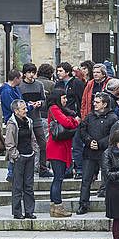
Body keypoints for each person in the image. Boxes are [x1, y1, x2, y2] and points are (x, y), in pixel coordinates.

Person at [77, 92, 118, 214]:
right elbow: (82, 130)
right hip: (89, 153)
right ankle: (83, 204)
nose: (94, 104)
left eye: (97, 102)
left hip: (105, 153)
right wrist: (89, 141)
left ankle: (110, 204)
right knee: (86, 180)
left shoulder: (113, 118)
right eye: (94, 102)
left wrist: (100, 144)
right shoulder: (90, 116)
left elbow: (112, 135)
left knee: (109, 179)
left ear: (104, 104)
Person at [46, 89, 79, 218]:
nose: (65, 100)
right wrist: (75, 121)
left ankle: (54, 206)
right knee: (58, 178)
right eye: (63, 98)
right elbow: (66, 122)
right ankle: (57, 205)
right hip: (57, 148)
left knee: (58, 178)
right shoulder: (54, 108)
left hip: (60, 147)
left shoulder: (58, 109)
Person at [4, 99, 36, 219]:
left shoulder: (28, 121)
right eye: (23, 109)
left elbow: (32, 138)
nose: (26, 111)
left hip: (29, 155)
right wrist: (16, 156)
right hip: (19, 157)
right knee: (17, 186)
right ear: (16, 111)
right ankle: (17, 212)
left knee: (29, 185)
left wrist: (34, 151)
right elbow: (9, 143)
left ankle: (29, 211)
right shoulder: (12, 124)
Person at [19, 63, 51, 178]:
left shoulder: (39, 85)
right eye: (29, 72)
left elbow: (44, 100)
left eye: (33, 72)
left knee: (43, 144)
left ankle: (43, 168)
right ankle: (27, 170)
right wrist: (27, 105)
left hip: (37, 119)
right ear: (24, 74)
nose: (31, 75)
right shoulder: (20, 86)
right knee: (27, 145)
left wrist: (40, 103)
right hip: (25, 120)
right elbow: (18, 102)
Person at [55, 62, 86, 178]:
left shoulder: (77, 83)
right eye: (57, 71)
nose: (58, 73)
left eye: (61, 71)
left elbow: (81, 100)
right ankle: (68, 169)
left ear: (67, 72)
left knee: (77, 144)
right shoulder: (58, 84)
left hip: (75, 117)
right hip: (62, 118)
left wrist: (80, 115)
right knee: (65, 145)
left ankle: (79, 169)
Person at [0, 69, 23, 183]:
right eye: (20, 78)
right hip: (12, 120)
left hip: (19, 119)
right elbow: (12, 106)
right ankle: (11, 172)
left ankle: (13, 172)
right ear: (16, 79)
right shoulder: (6, 91)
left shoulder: (15, 89)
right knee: (12, 145)